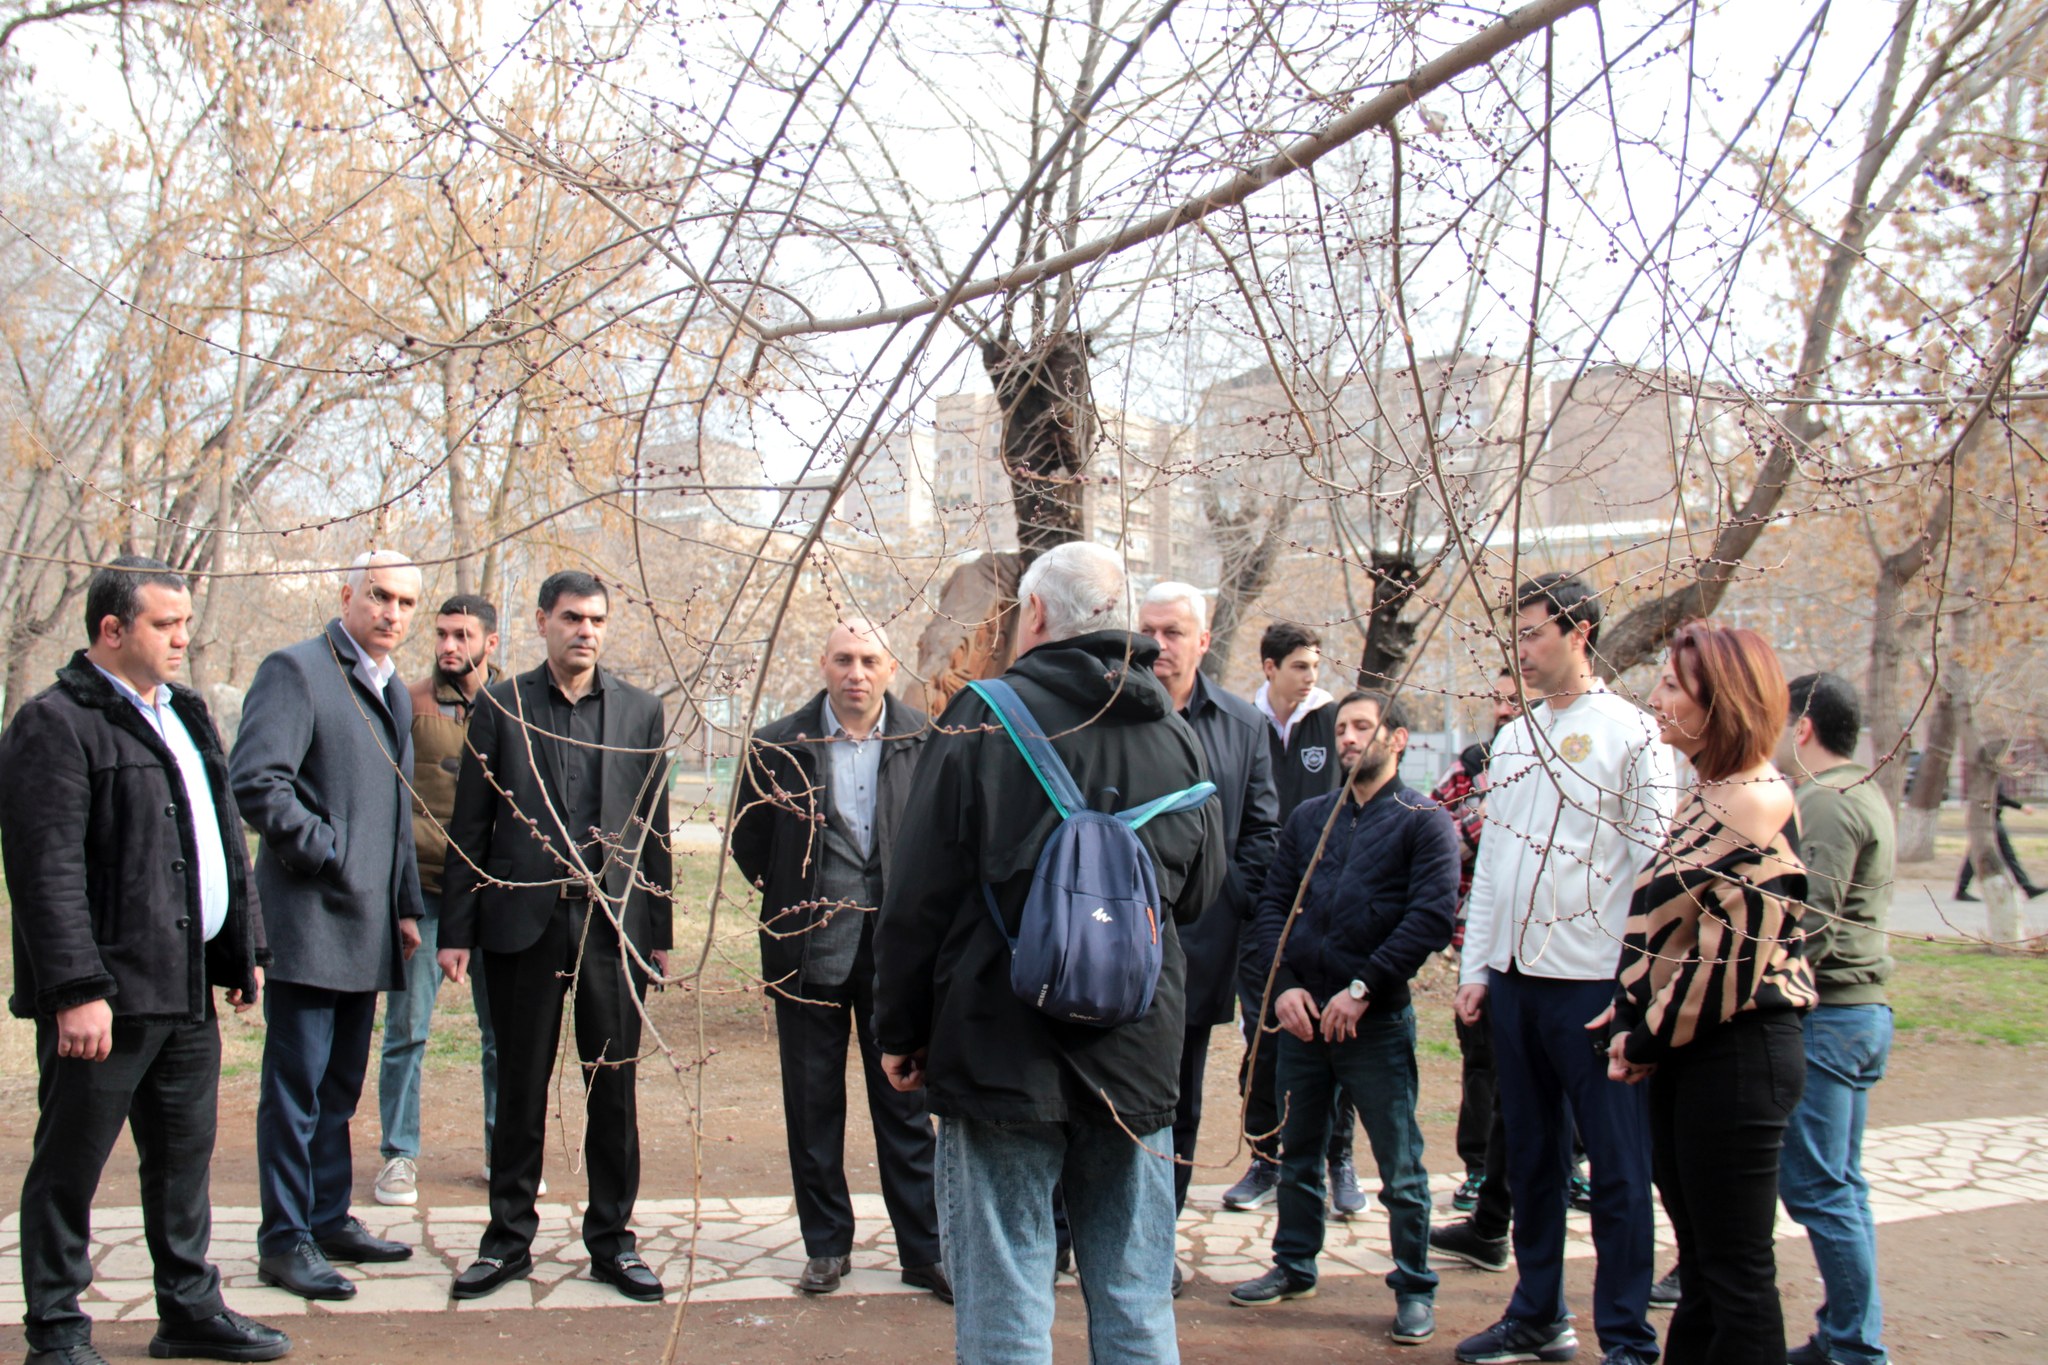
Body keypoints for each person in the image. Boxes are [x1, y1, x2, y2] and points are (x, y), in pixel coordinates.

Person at [873, 541, 1224, 1365]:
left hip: (1000, 1048)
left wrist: (902, 1029)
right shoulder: (1173, 733)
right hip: (1135, 1055)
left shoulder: (979, 715)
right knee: (1137, 1301)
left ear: (1033, 615)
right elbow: (1202, 893)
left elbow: (915, 896)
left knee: (1006, 1303)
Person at [1, 557, 290, 1365]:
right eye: (166, 624)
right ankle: (56, 1331)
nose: (182, 637)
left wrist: (246, 948)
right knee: (69, 1167)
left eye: (185, 622)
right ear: (111, 629)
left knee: (182, 1163)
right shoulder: (54, 722)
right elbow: (43, 867)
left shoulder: (187, 711)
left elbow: (225, 841)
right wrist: (76, 989)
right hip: (107, 997)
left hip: (190, 985)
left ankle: (189, 1311)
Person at [1453, 573, 1675, 1365]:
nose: (1522, 650)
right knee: (1532, 1160)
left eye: (1532, 633)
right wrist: (1478, 967)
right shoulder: (1514, 740)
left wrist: (1633, 994)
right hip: (1513, 985)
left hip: (1591, 989)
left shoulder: (1633, 735)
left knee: (1616, 1169)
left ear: (1578, 632)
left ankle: (1626, 1334)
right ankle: (1536, 1311)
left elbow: (1655, 875)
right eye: (1516, 636)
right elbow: (1496, 864)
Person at [438, 570, 674, 1303]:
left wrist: (656, 930)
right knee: (519, 1088)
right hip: (522, 926)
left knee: (614, 1091)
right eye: (572, 617)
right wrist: (456, 930)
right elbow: (470, 824)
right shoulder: (501, 706)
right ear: (542, 621)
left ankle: (614, 1241)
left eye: (597, 619)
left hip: (610, 927)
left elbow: (654, 828)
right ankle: (506, 1241)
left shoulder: (640, 711)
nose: (586, 630)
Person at [1604, 621, 1817, 1364]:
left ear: (1719, 701)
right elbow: (1683, 931)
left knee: (1734, 1271)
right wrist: (1629, 1004)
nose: (1656, 696)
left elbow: (1725, 968)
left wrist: (1644, 1035)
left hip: (1736, 1055)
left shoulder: (1751, 802)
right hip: (1695, 1053)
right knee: (1702, 1263)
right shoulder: (1710, 790)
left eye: (1672, 685)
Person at [728, 619, 949, 1301]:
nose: (857, 672)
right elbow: (749, 841)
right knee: (813, 1102)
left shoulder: (925, 739)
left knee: (906, 1107)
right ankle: (826, 1245)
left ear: (889, 669)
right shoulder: (776, 745)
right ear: (823, 663)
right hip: (807, 952)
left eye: (869, 660)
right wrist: (798, 891)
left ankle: (924, 1249)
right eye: (844, 659)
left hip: (899, 959)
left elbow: (944, 837)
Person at [1230, 690, 1458, 1349]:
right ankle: (1294, 1262)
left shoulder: (1424, 821)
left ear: (1400, 737)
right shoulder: (1310, 819)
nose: (1349, 738)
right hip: (1303, 1021)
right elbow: (1274, 902)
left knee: (1401, 1163)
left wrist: (1363, 987)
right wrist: (1286, 989)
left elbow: (1430, 918)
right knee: (1297, 1151)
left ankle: (1414, 1285)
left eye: (1363, 726)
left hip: (1373, 1024)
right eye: (1342, 729)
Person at [231, 550, 425, 1300]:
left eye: (406, 602)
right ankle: (284, 1239)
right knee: (296, 1088)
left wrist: (405, 903)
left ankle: (327, 1214)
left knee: (340, 1088)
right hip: (310, 921)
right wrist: (331, 852)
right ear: (346, 593)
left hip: (370, 926)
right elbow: (256, 780)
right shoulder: (297, 669)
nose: (393, 613)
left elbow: (400, 811)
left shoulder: (394, 693)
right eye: (380, 596)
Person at [1136, 583, 1281, 1288]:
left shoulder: (1242, 724)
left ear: (1203, 637)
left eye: (1173, 631)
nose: (1158, 645)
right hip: (1111, 945)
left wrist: (1224, 902)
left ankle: (1154, 1244)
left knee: (1179, 1101)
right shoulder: (1108, 712)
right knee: (1092, 1094)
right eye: (1149, 629)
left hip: (1199, 947)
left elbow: (1262, 830)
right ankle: (1072, 1231)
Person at [1777, 672, 1896, 1365]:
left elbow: (1808, 923)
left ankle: (1855, 1345)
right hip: (1861, 1012)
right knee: (1842, 1185)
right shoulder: (1868, 790)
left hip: (1832, 1016)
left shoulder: (1825, 800)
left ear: (1804, 727)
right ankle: (1845, 1334)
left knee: (1820, 1188)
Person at [374, 594, 507, 1208]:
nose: (449, 646)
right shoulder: (407, 699)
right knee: (405, 1031)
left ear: (490, 642)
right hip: (424, 890)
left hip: (495, 895)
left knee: (502, 1033)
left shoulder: (519, 707)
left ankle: (503, 1153)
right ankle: (399, 1155)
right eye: (442, 635)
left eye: (463, 635)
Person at [1226, 621, 1357, 1214]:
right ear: (1269, 667)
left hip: (1327, 911)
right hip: (1261, 910)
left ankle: (1339, 1160)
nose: (1311, 677)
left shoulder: (1335, 723)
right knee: (1263, 1035)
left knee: (1334, 1033)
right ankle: (1264, 1158)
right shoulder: (1241, 722)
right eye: (1301, 666)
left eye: (1316, 666)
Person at [1954, 779, 2040, 900]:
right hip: (1987, 820)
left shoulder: (1991, 773)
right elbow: (1998, 797)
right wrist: (2021, 807)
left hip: (1991, 820)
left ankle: (1961, 889)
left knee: (1980, 853)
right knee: (1997, 854)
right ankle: (2027, 887)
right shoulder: (1987, 773)